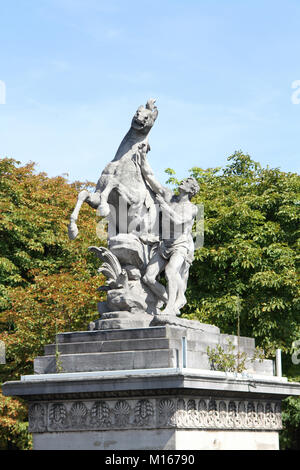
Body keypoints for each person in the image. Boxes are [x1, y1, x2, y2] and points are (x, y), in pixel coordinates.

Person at [140, 150, 199, 316]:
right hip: (164, 245)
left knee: (171, 272)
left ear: (191, 189)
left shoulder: (191, 208)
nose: (183, 181)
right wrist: (142, 157)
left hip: (179, 246)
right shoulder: (168, 196)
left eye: (187, 181)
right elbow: (151, 178)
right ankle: (170, 301)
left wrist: (163, 206)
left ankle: (170, 307)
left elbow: (178, 221)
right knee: (148, 278)